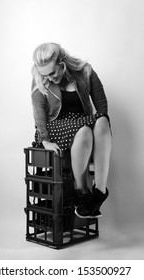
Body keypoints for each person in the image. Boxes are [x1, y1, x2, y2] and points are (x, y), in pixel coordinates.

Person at [30, 42, 112, 218]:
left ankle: (98, 192)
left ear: (63, 64)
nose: (49, 78)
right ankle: (82, 192)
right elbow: (39, 115)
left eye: (52, 72)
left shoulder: (85, 72)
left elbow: (101, 106)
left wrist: (98, 127)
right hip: (54, 128)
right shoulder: (40, 78)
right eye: (45, 75)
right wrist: (45, 140)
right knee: (85, 129)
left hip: (82, 124)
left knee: (101, 121)